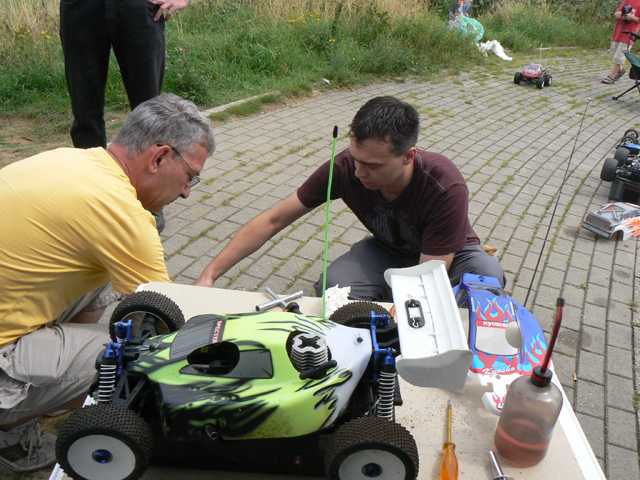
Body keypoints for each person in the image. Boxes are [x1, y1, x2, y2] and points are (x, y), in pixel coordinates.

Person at [0, 93, 215, 472]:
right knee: (138, 358)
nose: (186, 191)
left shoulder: (70, 159)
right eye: (190, 177)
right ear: (159, 157)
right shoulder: (123, 214)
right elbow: (172, 324)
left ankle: (45, 380)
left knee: (108, 279)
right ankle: (10, 433)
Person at [196, 96, 505, 301]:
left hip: (449, 256)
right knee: (334, 289)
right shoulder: (344, 167)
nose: (358, 172)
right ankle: (385, 292)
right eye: (355, 158)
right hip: (390, 250)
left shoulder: (444, 184)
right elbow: (274, 219)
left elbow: (430, 275)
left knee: (485, 284)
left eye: (372, 165)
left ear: (408, 156)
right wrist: (209, 276)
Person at [60, 0, 190, 149]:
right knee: (84, 111)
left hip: (137, 8)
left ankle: (148, 163)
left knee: (148, 110)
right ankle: (91, 163)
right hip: (81, 8)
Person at [602, 0, 640, 84]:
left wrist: (631, 17)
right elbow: (618, 11)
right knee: (613, 52)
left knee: (620, 54)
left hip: (629, 34)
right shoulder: (627, 0)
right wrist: (618, 14)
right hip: (619, 31)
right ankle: (620, 70)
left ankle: (612, 75)